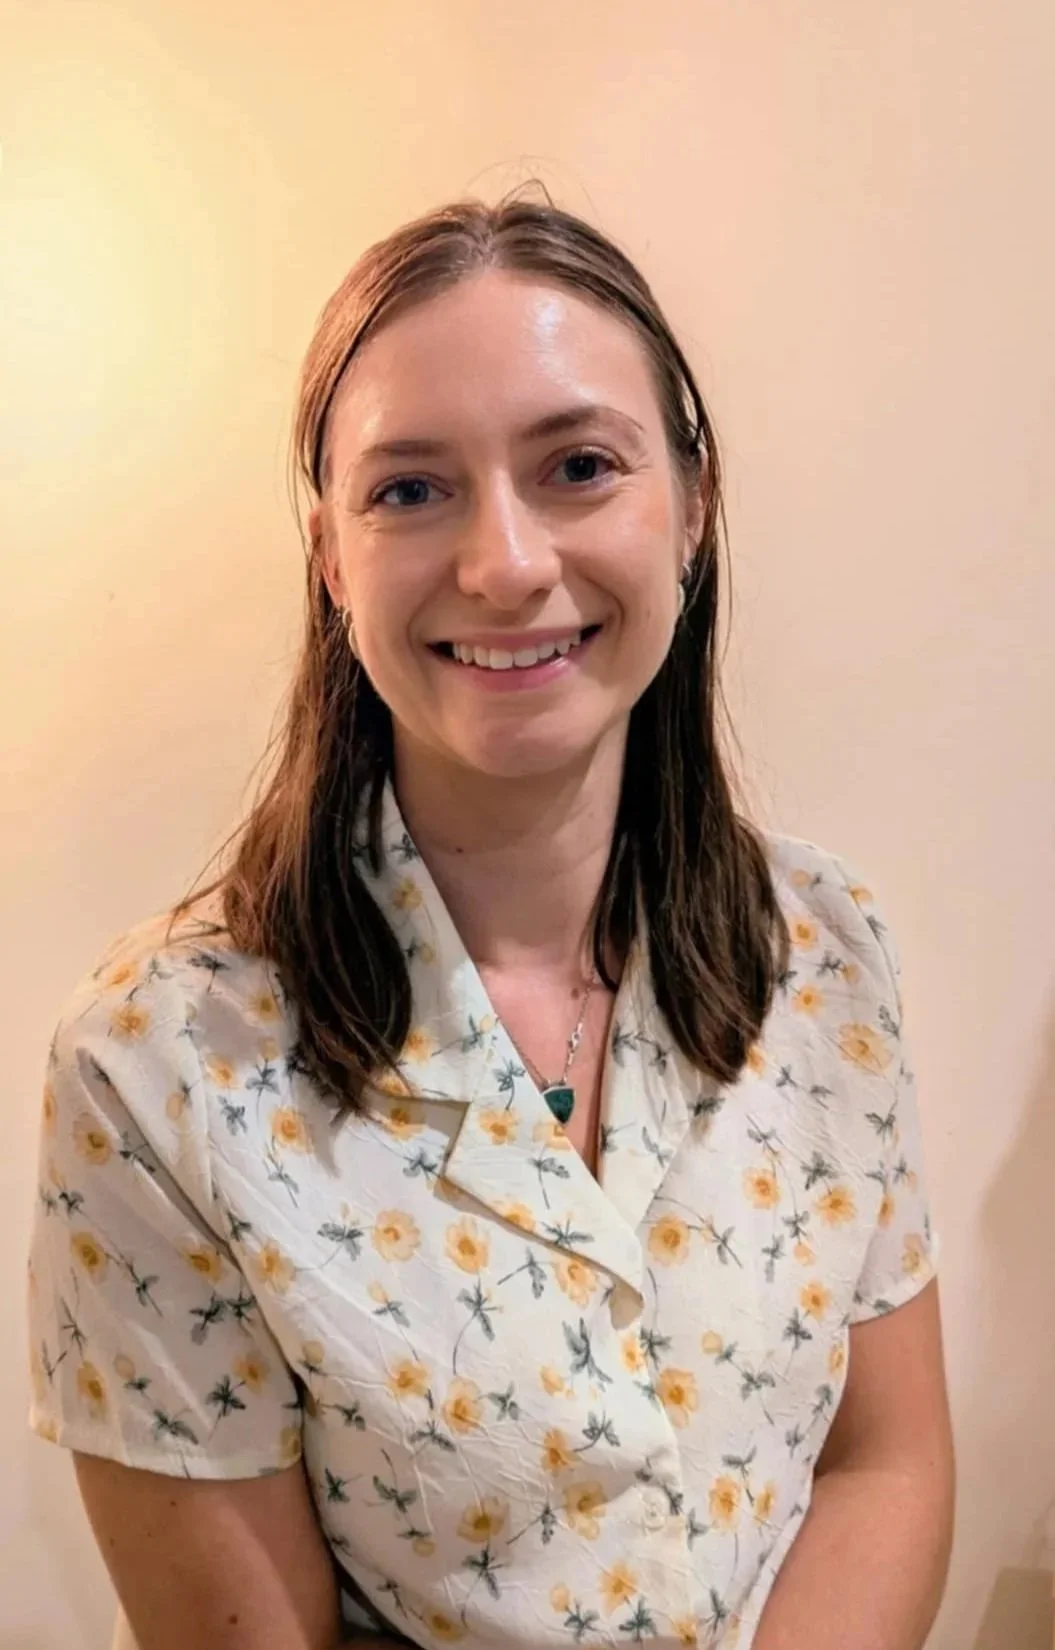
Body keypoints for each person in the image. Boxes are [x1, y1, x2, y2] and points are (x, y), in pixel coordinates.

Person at [27, 193, 954, 1650]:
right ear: (330, 559)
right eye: (410, 490)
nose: (507, 562)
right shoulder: (157, 1069)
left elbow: (881, 1461)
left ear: (691, 506)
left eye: (578, 465)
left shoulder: (825, 947)